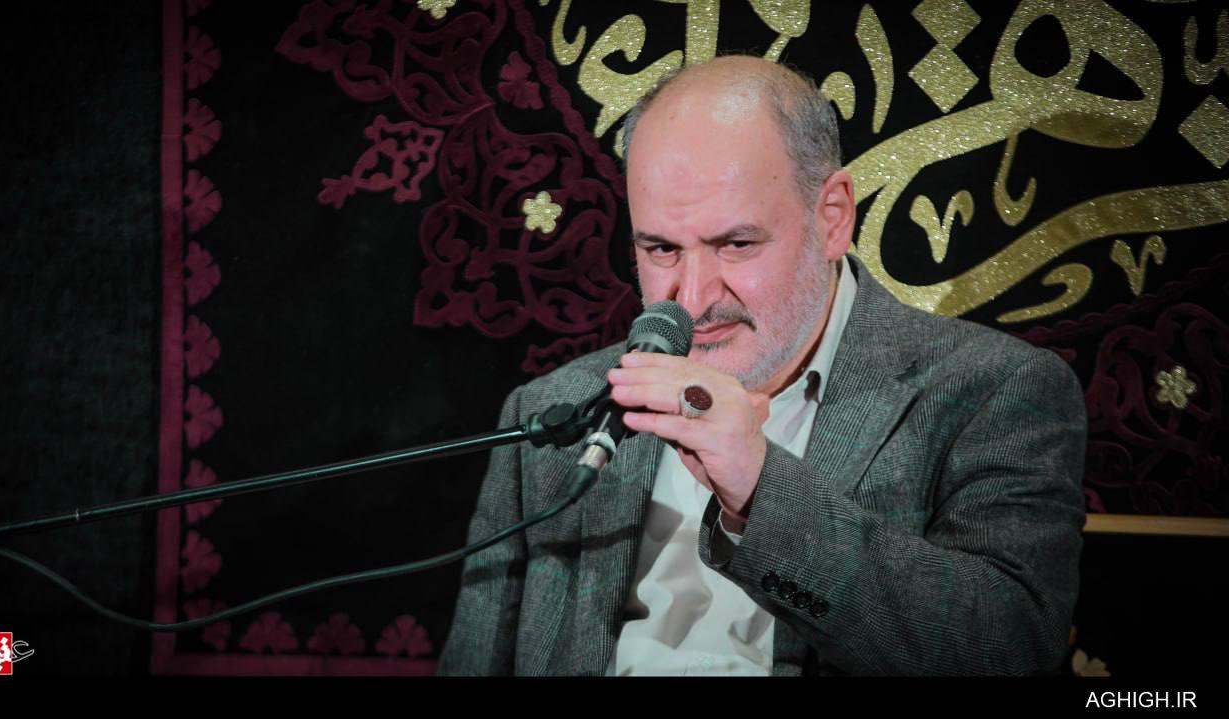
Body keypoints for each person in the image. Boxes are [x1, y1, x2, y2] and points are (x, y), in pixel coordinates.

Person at [439, 56, 1086, 676]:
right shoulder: (555, 413)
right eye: (661, 249)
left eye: (736, 243)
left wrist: (759, 488)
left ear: (832, 217)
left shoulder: (990, 390)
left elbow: (1011, 645)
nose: (693, 299)